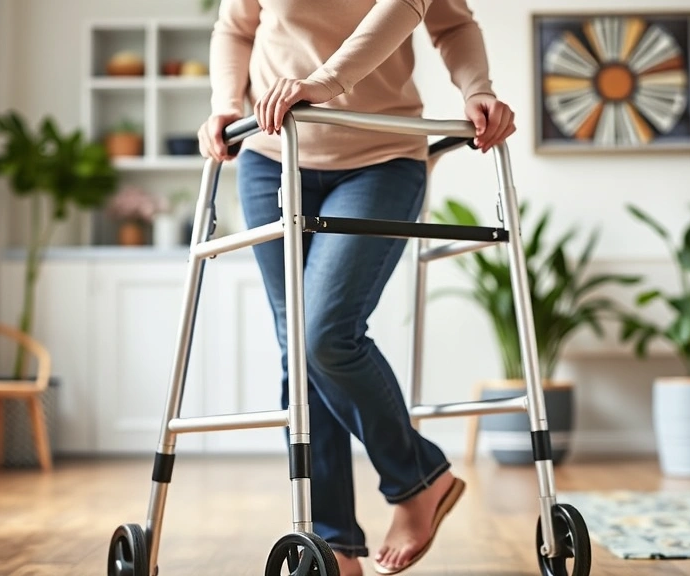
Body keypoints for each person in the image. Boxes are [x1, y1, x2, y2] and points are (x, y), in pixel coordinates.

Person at [197, 1, 515, 574]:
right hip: (272, 156)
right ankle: (335, 547)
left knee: (324, 334)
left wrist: (477, 88)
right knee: (297, 350)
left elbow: (446, 20)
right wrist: (225, 103)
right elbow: (236, 28)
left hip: (380, 156)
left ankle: (418, 478)